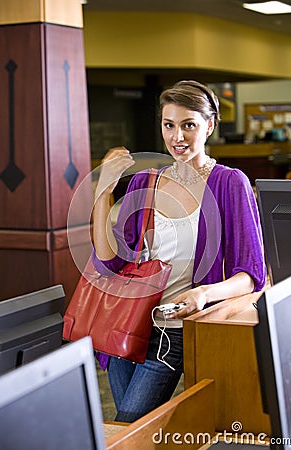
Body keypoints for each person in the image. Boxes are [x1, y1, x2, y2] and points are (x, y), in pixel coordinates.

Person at [92, 80, 266, 423]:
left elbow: (251, 276)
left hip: (174, 334)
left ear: (209, 126)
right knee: (126, 429)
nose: (177, 137)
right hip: (127, 326)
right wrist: (103, 190)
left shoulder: (230, 183)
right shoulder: (146, 181)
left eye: (189, 125)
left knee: (129, 423)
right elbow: (110, 259)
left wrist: (204, 294)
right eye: (169, 125)